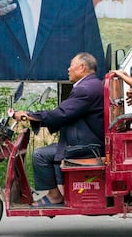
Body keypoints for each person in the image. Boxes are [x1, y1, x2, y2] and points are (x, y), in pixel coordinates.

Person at [12, 52, 104, 207]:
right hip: (87, 139)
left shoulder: (85, 89)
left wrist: (30, 115)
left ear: (82, 67)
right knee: (50, 151)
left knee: (40, 155)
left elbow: (62, 114)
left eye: (71, 65)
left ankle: (54, 196)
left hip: (88, 145)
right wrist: (35, 117)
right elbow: (66, 113)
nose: (68, 69)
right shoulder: (92, 84)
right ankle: (60, 190)